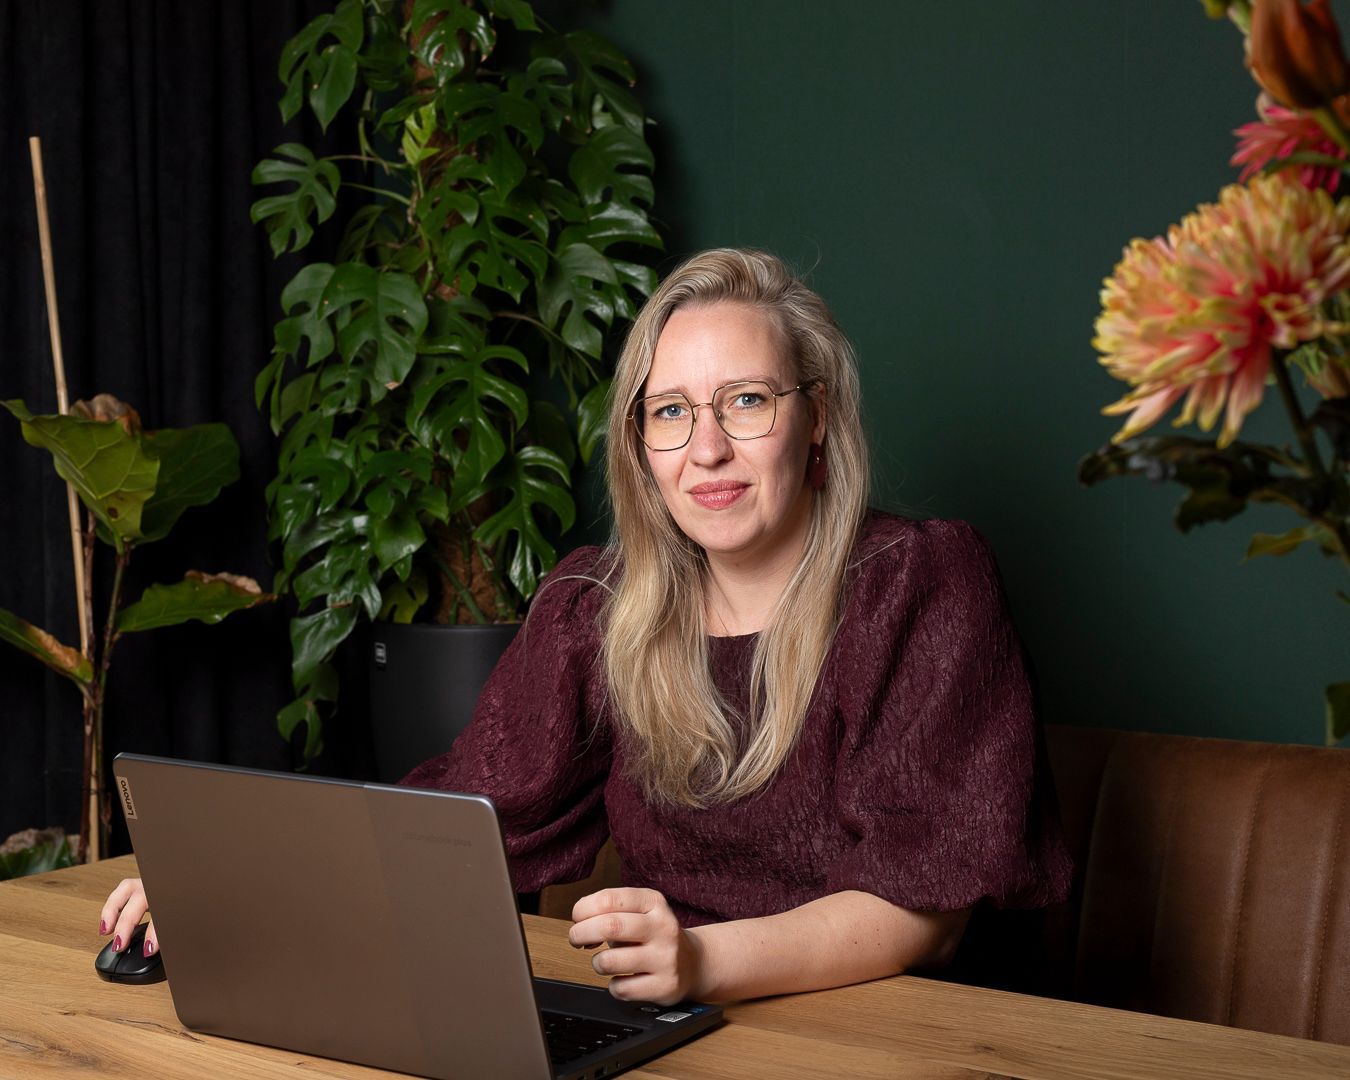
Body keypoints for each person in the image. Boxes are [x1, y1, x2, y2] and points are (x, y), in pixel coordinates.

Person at [100, 248, 1072, 1006]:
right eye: (670, 413)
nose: (708, 449)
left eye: (747, 401)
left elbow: (928, 911)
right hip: (677, 1026)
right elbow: (464, 819)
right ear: (638, 447)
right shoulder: (601, 609)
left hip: (886, 1037)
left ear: (816, 418)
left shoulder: (923, 583)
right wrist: (246, 884)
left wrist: (699, 961)